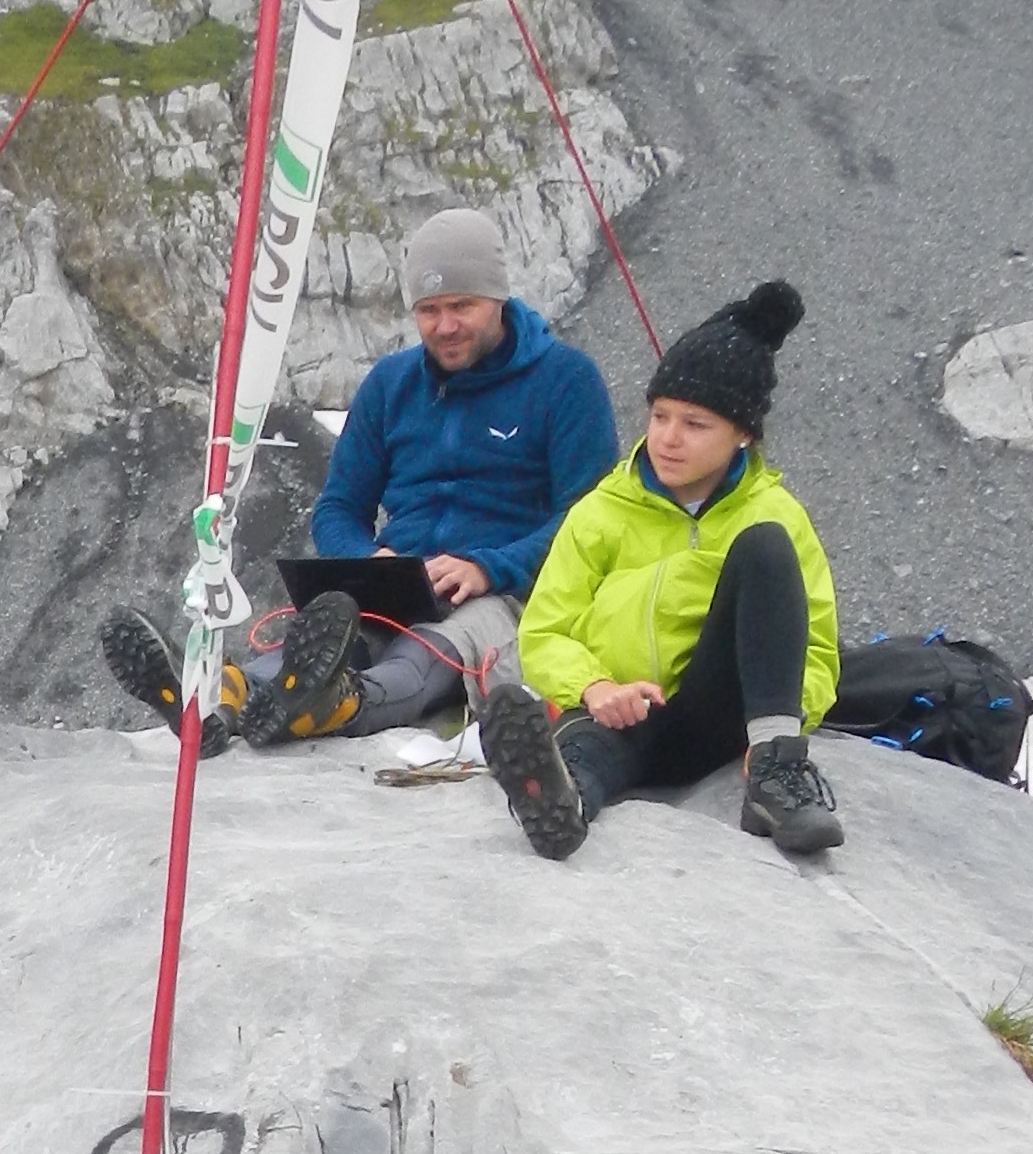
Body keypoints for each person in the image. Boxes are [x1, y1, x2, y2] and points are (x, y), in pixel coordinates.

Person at [98, 205, 616, 745]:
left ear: (499, 297)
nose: (445, 326)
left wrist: (489, 567)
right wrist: (370, 564)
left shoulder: (566, 381)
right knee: (341, 639)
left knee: (425, 651)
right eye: (428, 310)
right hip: (401, 585)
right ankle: (220, 698)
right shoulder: (390, 384)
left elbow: (592, 522)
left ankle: (334, 704)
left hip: (505, 596)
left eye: (462, 306)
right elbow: (339, 508)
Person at [477, 279, 845, 866]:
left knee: (765, 548)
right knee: (586, 748)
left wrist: (787, 716)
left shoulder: (776, 514)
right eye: (659, 416)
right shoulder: (601, 510)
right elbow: (544, 631)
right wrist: (596, 688)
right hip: (623, 713)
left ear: (743, 434)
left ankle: (775, 770)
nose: (668, 439)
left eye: (695, 424)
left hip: (722, 717)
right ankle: (562, 798)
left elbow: (818, 651)